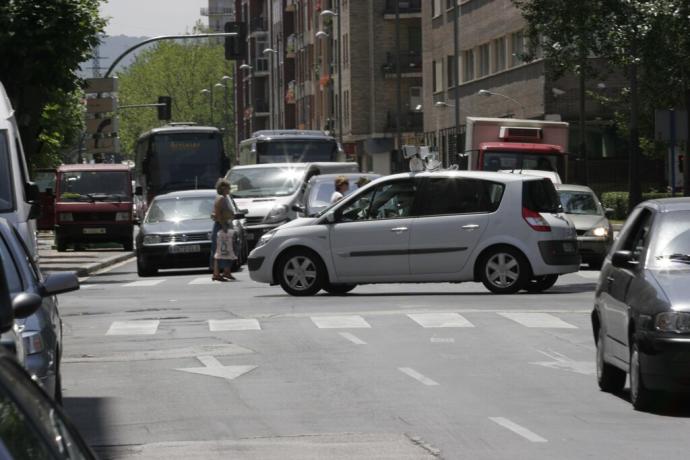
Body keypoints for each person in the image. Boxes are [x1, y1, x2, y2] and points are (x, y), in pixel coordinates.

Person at [210, 178, 236, 281]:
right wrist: (224, 226)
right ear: (223, 188)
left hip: (225, 224)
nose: (229, 189)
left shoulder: (225, 197)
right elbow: (217, 214)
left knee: (227, 249)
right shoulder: (220, 198)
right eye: (228, 187)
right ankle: (216, 273)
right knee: (219, 250)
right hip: (221, 226)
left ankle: (226, 272)